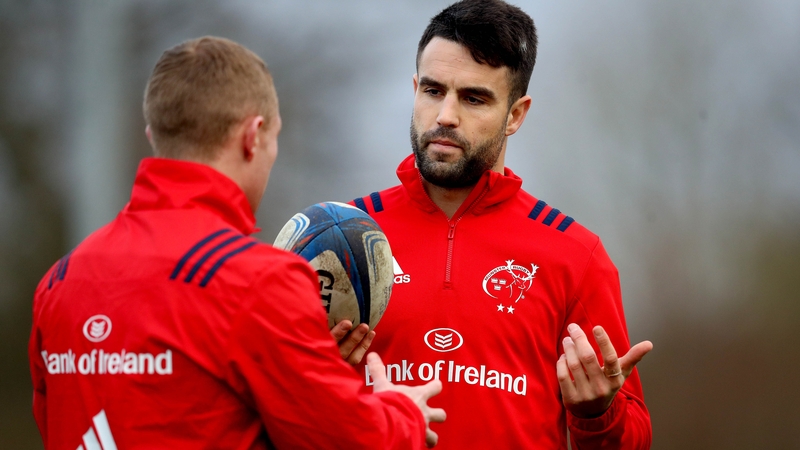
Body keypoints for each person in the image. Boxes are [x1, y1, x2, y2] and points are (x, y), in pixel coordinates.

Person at [28, 36, 445, 450]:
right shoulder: (256, 282)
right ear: (253, 135)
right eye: (275, 139)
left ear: (155, 133)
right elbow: (350, 441)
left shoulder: (59, 282)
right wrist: (400, 411)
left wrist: (309, 370)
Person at [349, 1, 653, 448]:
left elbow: (634, 440)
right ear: (415, 89)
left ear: (515, 114)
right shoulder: (346, 237)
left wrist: (597, 413)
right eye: (433, 91)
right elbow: (279, 416)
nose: (445, 115)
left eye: (474, 98)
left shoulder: (575, 255)